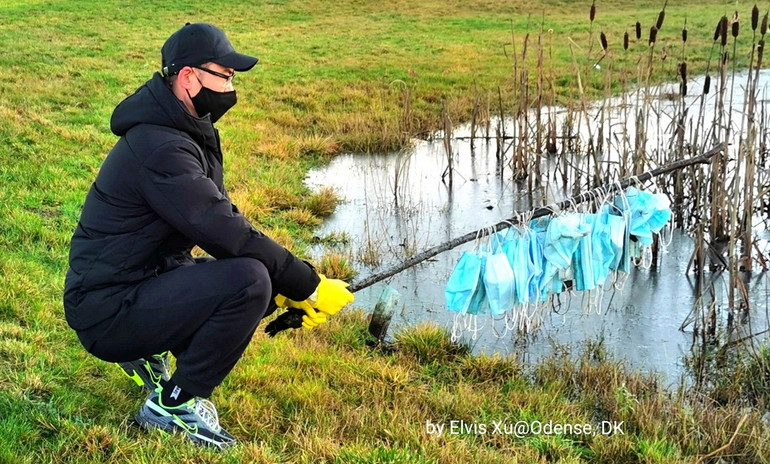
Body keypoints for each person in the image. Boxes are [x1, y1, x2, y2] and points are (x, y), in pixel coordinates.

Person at [63, 22, 353, 449]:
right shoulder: (162, 148)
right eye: (225, 75)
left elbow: (224, 221)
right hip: (106, 308)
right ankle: (173, 404)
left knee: (261, 279)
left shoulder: (185, 129)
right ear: (187, 77)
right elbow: (225, 232)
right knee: (250, 280)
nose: (231, 87)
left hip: (139, 279)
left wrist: (287, 286)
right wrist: (308, 285)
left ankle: (147, 348)